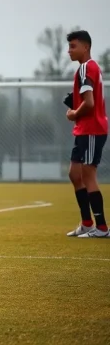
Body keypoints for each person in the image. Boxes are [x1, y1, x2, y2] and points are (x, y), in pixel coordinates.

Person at [65, 30, 108, 238]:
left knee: (88, 176)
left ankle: (101, 227)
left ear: (86, 47)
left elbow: (89, 103)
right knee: (74, 174)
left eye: (73, 46)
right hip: (84, 130)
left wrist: (73, 113)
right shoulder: (90, 68)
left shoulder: (85, 68)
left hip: (91, 129)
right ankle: (87, 223)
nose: (69, 51)